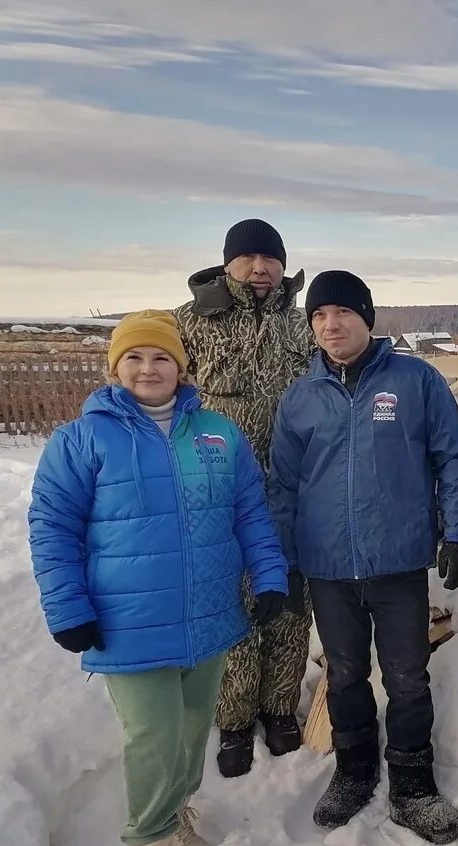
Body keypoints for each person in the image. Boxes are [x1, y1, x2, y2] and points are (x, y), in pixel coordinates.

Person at [27, 310, 288, 846]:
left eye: (162, 357)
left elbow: (250, 511)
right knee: (153, 735)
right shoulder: (82, 439)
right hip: (128, 622)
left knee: (194, 726)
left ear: (181, 366)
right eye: (135, 358)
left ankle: (175, 813)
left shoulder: (219, 434)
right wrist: (67, 608)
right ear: (115, 367)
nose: (149, 369)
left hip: (207, 615)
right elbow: (52, 525)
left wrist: (271, 575)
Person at [267, 270, 458, 842]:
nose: (330, 325)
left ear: (367, 317)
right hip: (327, 566)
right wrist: (283, 561)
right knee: (345, 674)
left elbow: (455, 457)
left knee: (408, 678)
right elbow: (282, 485)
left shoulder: (415, 381)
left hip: (398, 562)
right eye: (317, 316)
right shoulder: (301, 396)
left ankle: (414, 787)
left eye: (341, 313)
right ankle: (354, 771)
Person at [174, 218, 315, 777]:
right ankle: (233, 720)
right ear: (227, 262)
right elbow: (159, 397)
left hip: (293, 492)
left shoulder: (304, 326)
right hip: (218, 496)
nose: (261, 268)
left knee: (288, 605)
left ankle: (279, 708)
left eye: (271, 259)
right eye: (249, 258)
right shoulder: (189, 324)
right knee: (231, 605)